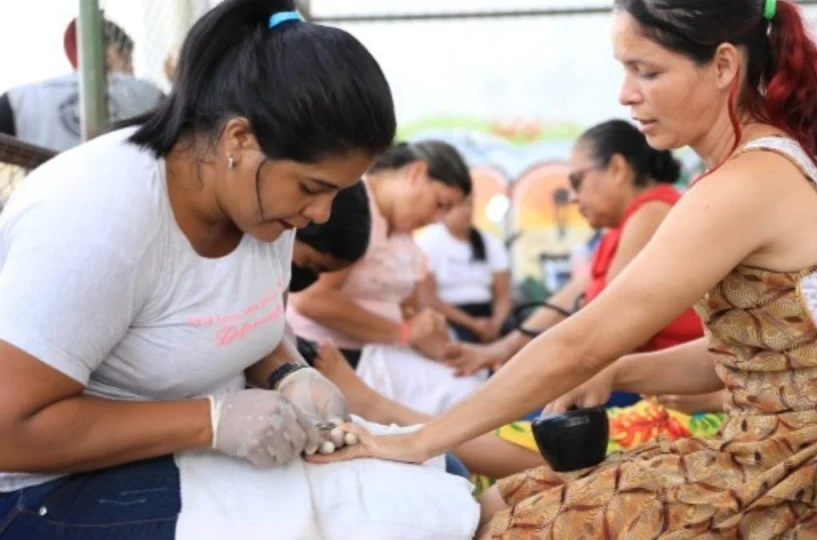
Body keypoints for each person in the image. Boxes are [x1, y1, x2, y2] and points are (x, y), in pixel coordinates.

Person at [314, 0, 817, 537]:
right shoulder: (760, 167)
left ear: (724, 65)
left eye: (648, 70)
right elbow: (768, 355)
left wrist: (420, 442)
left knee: (525, 521)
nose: (625, 93)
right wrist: (623, 369)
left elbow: (582, 338)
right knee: (513, 496)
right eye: (624, 69)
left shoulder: (750, 180)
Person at [0, 0, 396, 537]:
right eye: (312, 188)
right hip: (43, 489)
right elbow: (10, 430)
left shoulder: (261, 205)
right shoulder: (98, 217)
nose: (320, 214)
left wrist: (288, 373)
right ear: (239, 140)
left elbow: (240, 319)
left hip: (176, 457)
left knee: (431, 482)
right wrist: (211, 421)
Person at [313, 119, 723, 486]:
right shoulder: (624, 228)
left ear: (617, 169)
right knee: (508, 426)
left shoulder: (651, 210)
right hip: (640, 380)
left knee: (520, 433)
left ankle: (394, 420)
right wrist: (498, 351)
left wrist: (508, 358)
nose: (573, 198)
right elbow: (568, 301)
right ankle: (402, 426)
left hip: (654, 387)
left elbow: (596, 332)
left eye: (578, 181)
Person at [287, 140, 472, 369]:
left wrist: (432, 336)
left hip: (382, 357)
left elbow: (410, 308)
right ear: (416, 172)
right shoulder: (355, 209)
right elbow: (310, 299)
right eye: (440, 203)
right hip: (328, 357)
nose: (437, 219)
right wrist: (402, 332)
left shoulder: (404, 233)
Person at [0, 16, 164, 151]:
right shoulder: (147, 93)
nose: (132, 69)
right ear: (113, 52)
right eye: (129, 60)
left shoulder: (20, 99)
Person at [417, 193, 513, 343]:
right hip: (450, 316)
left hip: (488, 314)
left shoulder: (491, 242)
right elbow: (429, 299)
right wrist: (474, 325)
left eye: (469, 204)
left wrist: (496, 324)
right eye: (458, 205)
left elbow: (503, 296)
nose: (465, 211)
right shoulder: (427, 242)